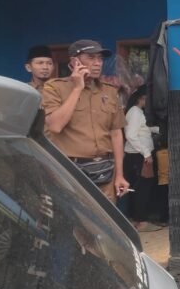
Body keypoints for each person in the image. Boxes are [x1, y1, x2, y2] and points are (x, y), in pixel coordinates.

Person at [43, 40, 129, 202]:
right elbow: (55, 126)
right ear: (75, 61)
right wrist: (77, 88)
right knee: (75, 223)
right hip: (70, 171)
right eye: (91, 58)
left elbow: (116, 133)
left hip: (105, 171)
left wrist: (119, 175)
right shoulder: (54, 88)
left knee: (105, 225)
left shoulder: (109, 91)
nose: (97, 63)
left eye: (100, 59)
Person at [123, 85, 162, 231]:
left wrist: (154, 129)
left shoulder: (137, 112)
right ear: (141, 98)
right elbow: (131, 135)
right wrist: (146, 154)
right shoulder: (135, 112)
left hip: (139, 155)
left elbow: (140, 129)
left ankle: (139, 219)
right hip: (138, 156)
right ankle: (141, 221)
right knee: (142, 188)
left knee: (141, 187)